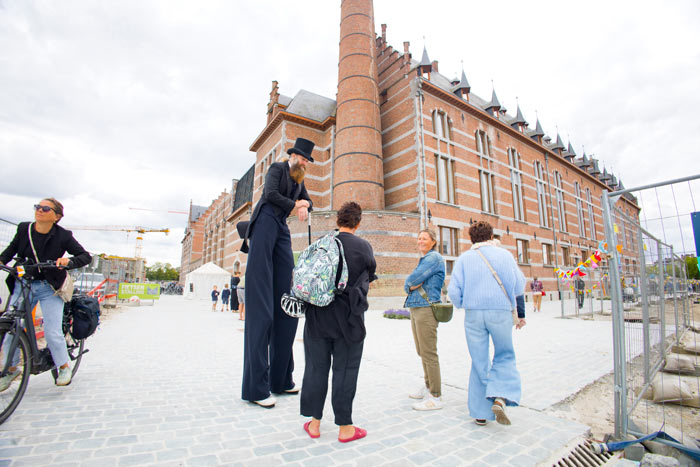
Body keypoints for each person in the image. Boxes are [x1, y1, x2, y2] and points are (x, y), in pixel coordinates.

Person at [240, 137, 315, 408]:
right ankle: (256, 388)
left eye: (308, 161)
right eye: (303, 159)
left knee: (287, 301)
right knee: (261, 307)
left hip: (282, 228)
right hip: (264, 224)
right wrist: (296, 205)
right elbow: (270, 195)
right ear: (293, 155)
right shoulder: (277, 169)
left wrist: (305, 205)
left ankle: (280, 379)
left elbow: (308, 201)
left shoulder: (299, 179)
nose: (305, 163)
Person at [300, 202, 377, 442]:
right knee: (345, 370)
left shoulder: (322, 243)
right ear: (358, 222)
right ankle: (345, 428)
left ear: (338, 221)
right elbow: (369, 278)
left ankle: (314, 424)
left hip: (317, 316)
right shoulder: (364, 247)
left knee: (315, 368)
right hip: (349, 319)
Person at [0, 198, 91, 389]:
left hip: (49, 287)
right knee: (11, 326)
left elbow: (85, 256)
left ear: (56, 216)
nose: (39, 210)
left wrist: (69, 262)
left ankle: (63, 365)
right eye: (37, 207)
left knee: (52, 330)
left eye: (45, 208)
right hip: (23, 283)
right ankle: (11, 368)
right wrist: (2, 261)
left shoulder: (63, 235)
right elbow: (10, 250)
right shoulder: (24, 229)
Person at [448, 220, 525, 426]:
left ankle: (480, 413)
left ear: (471, 239)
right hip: (500, 312)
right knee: (504, 354)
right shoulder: (505, 256)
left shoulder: (464, 259)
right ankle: (500, 397)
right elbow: (519, 285)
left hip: (473, 314)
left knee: (479, 360)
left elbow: (453, 292)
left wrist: (466, 303)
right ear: (491, 237)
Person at [403, 229, 446, 411]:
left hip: (426, 308)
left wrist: (410, 284)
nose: (420, 241)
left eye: (424, 238)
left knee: (429, 352)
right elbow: (411, 283)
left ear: (433, 242)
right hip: (417, 307)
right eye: (419, 238)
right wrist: (411, 284)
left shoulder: (433, 258)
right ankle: (428, 386)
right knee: (422, 350)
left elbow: (412, 280)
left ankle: (435, 395)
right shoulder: (426, 259)